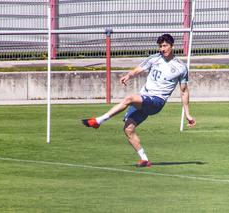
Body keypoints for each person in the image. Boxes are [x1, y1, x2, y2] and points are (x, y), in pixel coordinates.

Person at [82, 34, 196, 167]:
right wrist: (128, 75)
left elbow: (184, 91)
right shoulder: (154, 59)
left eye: (165, 46)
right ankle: (145, 160)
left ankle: (98, 121)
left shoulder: (181, 67)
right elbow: (138, 69)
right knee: (128, 129)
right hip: (144, 97)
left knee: (129, 98)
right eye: (160, 46)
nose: (162, 49)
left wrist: (187, 114)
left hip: (157, 101)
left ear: (172, 46)